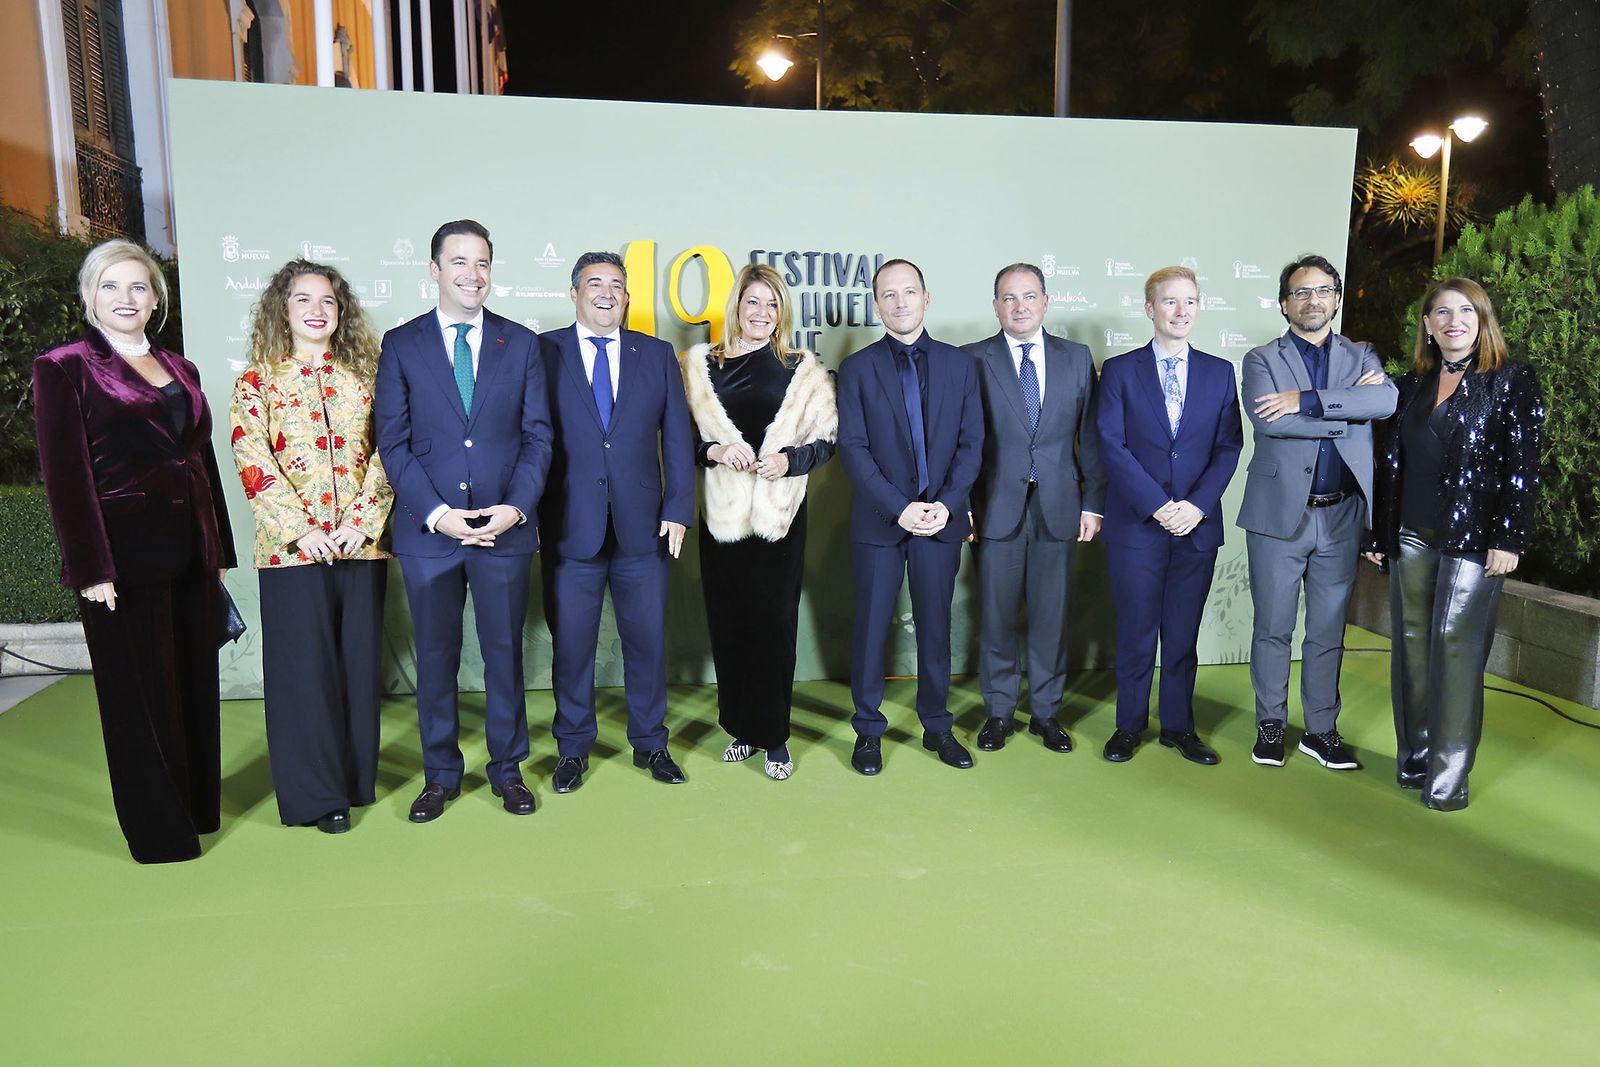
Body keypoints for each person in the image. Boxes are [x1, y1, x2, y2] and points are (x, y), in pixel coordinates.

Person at [33, 238, 235, 863]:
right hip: (120, 559)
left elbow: (200, 460)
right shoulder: (64, 367)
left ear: (156, 300)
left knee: (195, 685)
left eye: (138, 287)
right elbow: (65, 478)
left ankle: (198, 808)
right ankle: (158, 832)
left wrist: (218, 543)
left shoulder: (181, 368)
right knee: (138, 700)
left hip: (187, 550)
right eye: (111, 286)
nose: (126, 298)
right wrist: (91, 568)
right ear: (90, 297)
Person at [374, 220, 553, 823]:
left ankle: (508, 770)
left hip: (505, 527)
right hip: (432, 536)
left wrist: (516, 507)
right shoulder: (401, 344)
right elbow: (392, 443)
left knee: (504, 655)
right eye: (459, 263)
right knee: (437, 658)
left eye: (482, 263)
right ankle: (440, 774)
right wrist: (439, 514)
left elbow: (538, 437)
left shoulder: (522, 344)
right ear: (434, 270)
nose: (472, 275)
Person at [1363, 278, 1543, 810]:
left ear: (1482, 320)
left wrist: (1509, 537)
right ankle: (1415, 758)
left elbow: (1523, 467)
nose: (1453, 320)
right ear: (1427, 326)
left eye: (1466, 311)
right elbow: (1387, 465)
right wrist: (1379, 532)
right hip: (1411, 535)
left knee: (1456, 650)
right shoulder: (1408, 386)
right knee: (1412, 649)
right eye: (1441, 312)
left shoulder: (1511, 380)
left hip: (1474, 541)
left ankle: (1448, 778)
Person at [230, 260, 393, 834]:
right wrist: (304, 530)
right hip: (290, 551)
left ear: (340, 310)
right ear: (284, 309)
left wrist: (360, 523)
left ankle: (353, 782)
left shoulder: (368, 379)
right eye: (304, 300)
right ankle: (315, 797)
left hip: (360, 546)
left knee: (354, 666)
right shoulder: (257, 382)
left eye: (328, 301)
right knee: (303, 675)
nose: (317, 310)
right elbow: (252, 458)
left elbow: (388, 453)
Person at [538, 251, 696, 793]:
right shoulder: (544, 351)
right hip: (568, 526)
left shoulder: (655, 354)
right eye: (594, 283)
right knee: (572, 646)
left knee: (647, 641)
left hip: (644, 528)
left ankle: (651, 744)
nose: (606, 292)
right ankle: (573, 749)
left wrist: (678, 509)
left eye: (616, 285)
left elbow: (677, 439)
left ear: (627, 296)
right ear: (574, 292)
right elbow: (530, 439)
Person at [1239, 254, 1397, 770]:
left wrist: (1305, 401)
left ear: (1337, 296)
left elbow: (1384, 403)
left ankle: (1321, 729)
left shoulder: (1363, 355)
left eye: (1323, 290)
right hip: (1279, 516)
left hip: (1343, 515)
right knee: (1274, 626)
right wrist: (1343, 413)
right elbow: (1270, 422)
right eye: (1301, 292)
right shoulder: (1261, 359)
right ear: (1285, 303)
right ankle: (1270, 724)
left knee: (1328, 630)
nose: (1312, 300)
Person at [681, 264, 837, 781]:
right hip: (722, 518)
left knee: (774, 626)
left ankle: (774, 737)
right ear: (737, 307)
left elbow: (825, 442)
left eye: (772, 305)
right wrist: (715, 449)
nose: (762, 314)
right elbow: (680, 440)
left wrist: (789, 461)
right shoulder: (701, 366)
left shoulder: (802, 368)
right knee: (730, 624)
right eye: (753, 303)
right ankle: (741, 728)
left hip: (779, 520)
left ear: (782, 313)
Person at [836, 259, 985, 775]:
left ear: (927, 298)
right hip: (880, 522)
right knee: (872, 629)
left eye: (909, 292)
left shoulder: (960, 366)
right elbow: (853, 449)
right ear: (877, 305)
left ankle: (938, 726)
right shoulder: (857, 368)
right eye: (889, 295)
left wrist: (945, 504)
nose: (900, 302)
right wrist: (900, 508)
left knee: (936, 628)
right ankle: (868, 731)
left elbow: (972, 445)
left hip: (942, 518)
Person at [1095, 266, 1243, 764]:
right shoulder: (1119, 371)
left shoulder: (1221, 372)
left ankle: (1179, 727)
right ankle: (1129, 725)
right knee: (1137, 633)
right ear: (1149, 309)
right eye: (1170, 302)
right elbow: (1111, 447)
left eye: (1190, 302)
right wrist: (1159, 506)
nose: (1182, 312)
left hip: (1196, 529)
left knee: (1182, 636)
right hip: (1137, 526)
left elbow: (1229, 448)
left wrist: (1196, 507)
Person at [962, 263, 1105, 754]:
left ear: (1045, 302)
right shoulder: (972, 360)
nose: (1019, 306)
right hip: (993, 509)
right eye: (1008, 298)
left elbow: (1091, 437)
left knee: (1050, 617)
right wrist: (963, 505)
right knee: (997, 618)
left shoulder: (1077, 358)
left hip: (1060, 507)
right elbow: (961, 442)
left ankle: (1046, 714)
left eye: (1028, 297)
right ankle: (999, 713)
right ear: (996, 305)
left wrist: (1093, 504)